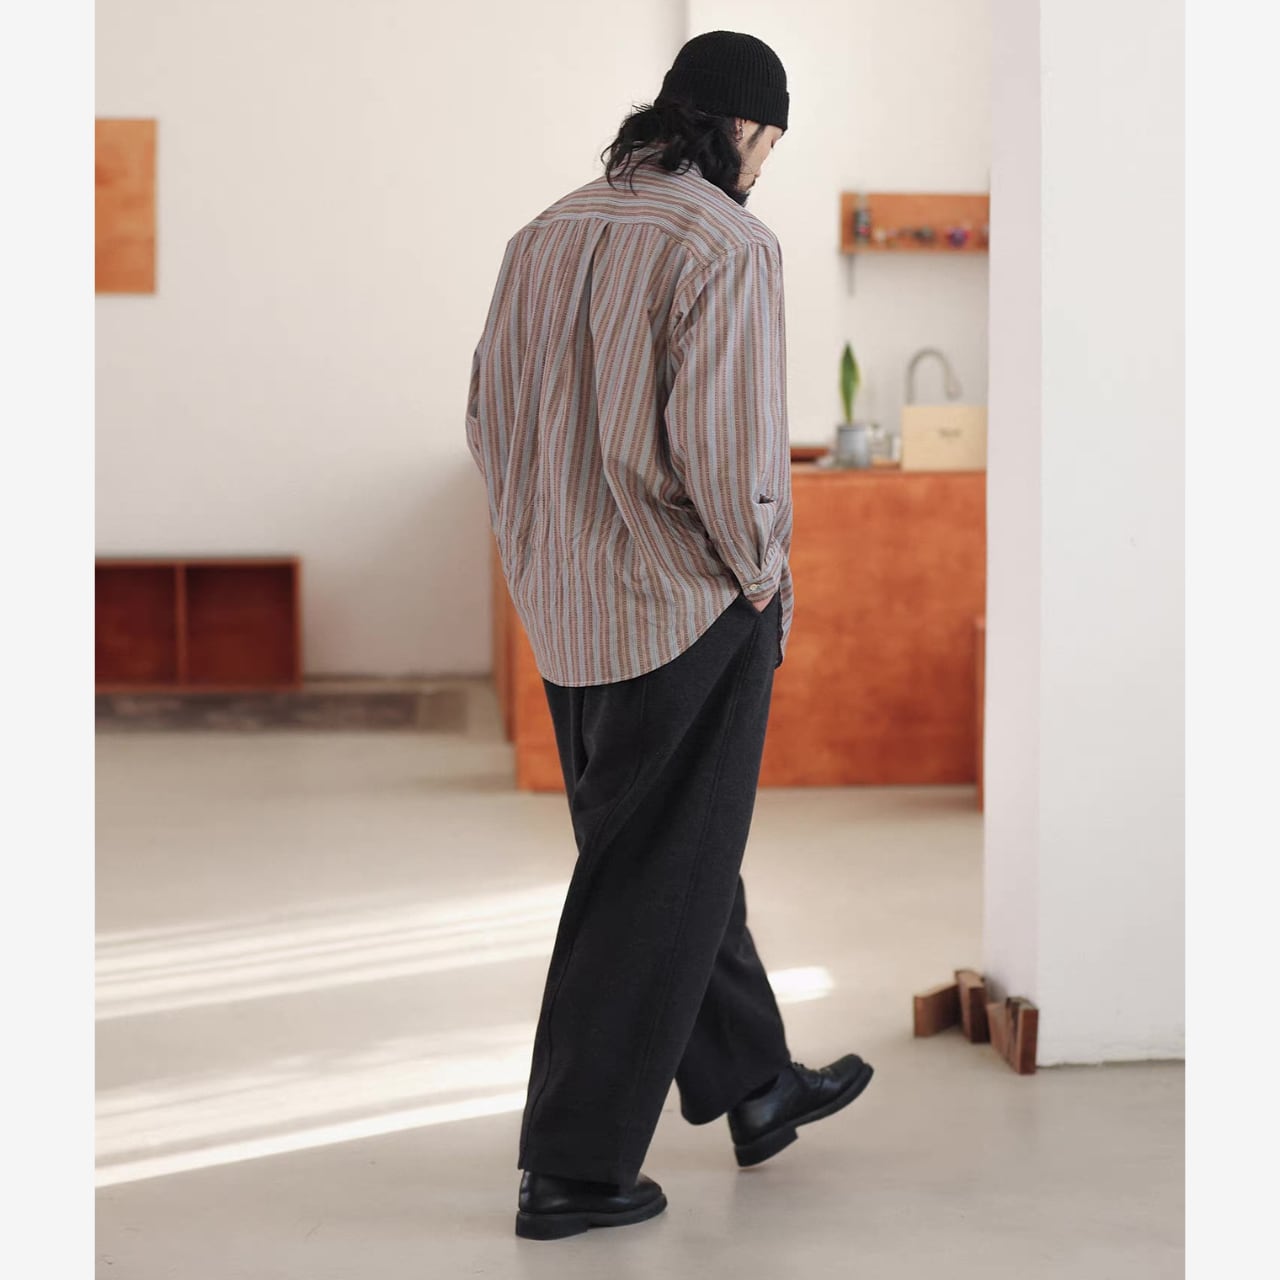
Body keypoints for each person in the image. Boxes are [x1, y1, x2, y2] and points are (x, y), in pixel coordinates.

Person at [464, 29, 874, 1242]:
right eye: (768, 143)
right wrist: (763, 581)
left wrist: (541, 548)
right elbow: (730, 451)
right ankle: (574, 1168)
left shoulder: (542, 232)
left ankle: (754, 1081)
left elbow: (484, 418)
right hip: (685, 607)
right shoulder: (727, 243)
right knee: (648, 876)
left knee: (666, 850)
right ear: (742, 128)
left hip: (565, 607)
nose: (763, 165)